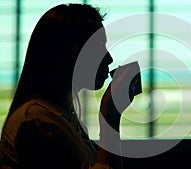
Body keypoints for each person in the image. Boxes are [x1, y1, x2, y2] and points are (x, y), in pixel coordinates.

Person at [0, 3, 136, 169]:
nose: (109, 58)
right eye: (100, 46)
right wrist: (110, 117)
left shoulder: (63, 117)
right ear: (73, 54)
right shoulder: (39, 123)